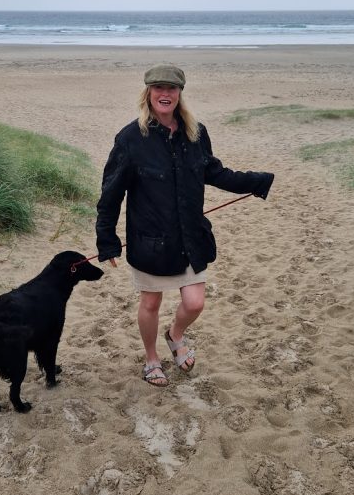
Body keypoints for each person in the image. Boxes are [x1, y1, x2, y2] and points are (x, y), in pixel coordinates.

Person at [95, 64, 274, 386]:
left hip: (190, 236)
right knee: (151, 302)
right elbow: (111, 194)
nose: (166, 94)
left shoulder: (196, 132)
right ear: (148, 93)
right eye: (159, 88)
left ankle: (175, 335)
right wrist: (106, 239)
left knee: (194, 302)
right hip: (150, 239)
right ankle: (152, 358)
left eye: (172, 89)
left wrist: (256, 181)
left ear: (180, 93)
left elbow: (215, 173)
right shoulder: (131, 139)